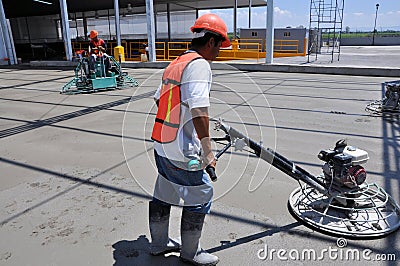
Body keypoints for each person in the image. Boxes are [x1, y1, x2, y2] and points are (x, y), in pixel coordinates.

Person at [149, 13, 230, 266]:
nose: (219, 52)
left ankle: (158, 245)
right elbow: (199, 110)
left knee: (164, 191)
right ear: (211, 42)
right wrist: (207, 151)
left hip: (161, 142)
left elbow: (158, 99)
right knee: (201, 194)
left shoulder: (177, 63)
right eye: (220, 46)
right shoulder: (200, 65)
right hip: (182, 149)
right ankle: (190, 253)